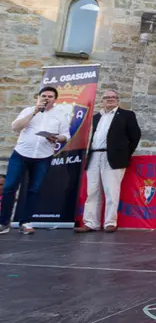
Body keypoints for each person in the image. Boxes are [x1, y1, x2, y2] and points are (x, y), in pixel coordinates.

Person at [0, 87, 70, 235]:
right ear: (38, 97)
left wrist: (56, 138)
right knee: (9, 187)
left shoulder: (60, 115)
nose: (46, 98)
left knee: (34, 189)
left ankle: (25, 222)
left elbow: (66, 136)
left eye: (50, 96)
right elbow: (15, 127)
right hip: (21, 154)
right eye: (43, 95)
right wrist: (34, 112)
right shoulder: (28, 110)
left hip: (43, 157)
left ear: (55, 99)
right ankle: (4, 222)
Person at [75, 90, 141, 233]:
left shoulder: (126, 115)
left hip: (113, 157)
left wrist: (124, 153)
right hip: (94, 156)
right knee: (92, 191)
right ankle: (91, 222)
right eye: (107, 97)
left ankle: (110, 222)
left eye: (113, 97)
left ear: (118, 100)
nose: (110, 99)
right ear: (102, 101)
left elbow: (135, 136)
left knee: (111, 190)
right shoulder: (96, 117)